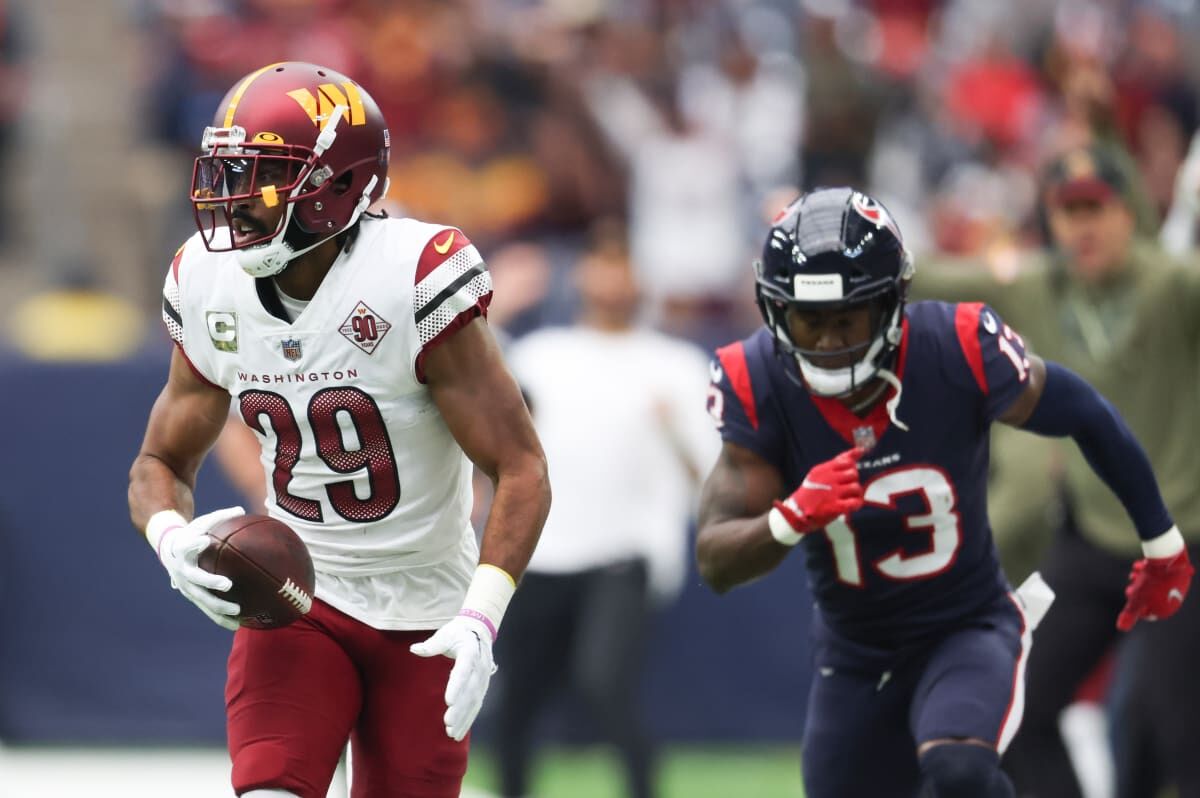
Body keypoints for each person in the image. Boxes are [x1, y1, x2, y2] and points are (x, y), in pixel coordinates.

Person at [127, 62, 551, 798]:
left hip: (427, 611)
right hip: (298, 595)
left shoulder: (411, 275)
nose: (233, 204)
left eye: (259, 180)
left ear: (335, 186)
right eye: (228, 176)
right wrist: (171, 539)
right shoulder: (206, 280)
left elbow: (522, 468)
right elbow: (158, 459)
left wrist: (483, 616)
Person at [695, 187, 1193, 798]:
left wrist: (1161, 540)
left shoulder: (954, 345)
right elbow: (714, 559)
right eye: (807, 320)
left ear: (890, 305)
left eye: (845, 319)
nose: (826, 343)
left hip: (967, 626)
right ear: (776, 314)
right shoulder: (761, 381)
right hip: (853, 650)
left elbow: (1084, 411)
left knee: (959, 770)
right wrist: (790, 518)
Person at [916, 143, 1200, 798]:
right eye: (1066, 211)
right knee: (1012, 711)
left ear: (1129, 212)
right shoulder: (1040, 284)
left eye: (1095, 207)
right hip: (1095, 541)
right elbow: (938, 280)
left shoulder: (1174, 285)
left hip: (1182, 542)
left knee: (1171, 728)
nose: (1082, 226)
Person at [492, 227, 719, 798]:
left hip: (625, 551)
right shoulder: (541, 356)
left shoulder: (677, 365)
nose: (613, 279)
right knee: (513, 698)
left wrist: (672, 432)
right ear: (583, 274)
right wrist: (491, 308)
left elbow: (716, 481)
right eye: (602, 264)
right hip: (539, 552)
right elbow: (485, 425)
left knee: (604, 683)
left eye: (623, 265)